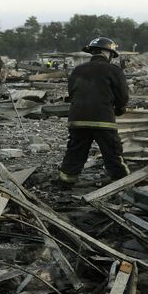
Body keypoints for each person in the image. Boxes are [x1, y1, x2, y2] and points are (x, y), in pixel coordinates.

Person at [58, 37, 130, 185]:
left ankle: (66, 182)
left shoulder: (77, 70)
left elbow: (72, 94)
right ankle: (121, 183)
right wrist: (120, 109)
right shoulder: (113, 70)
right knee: (112, 153)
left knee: (75, 152)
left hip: (77, 119)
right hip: (103, 120)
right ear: (107, 52)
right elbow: (122, 96)